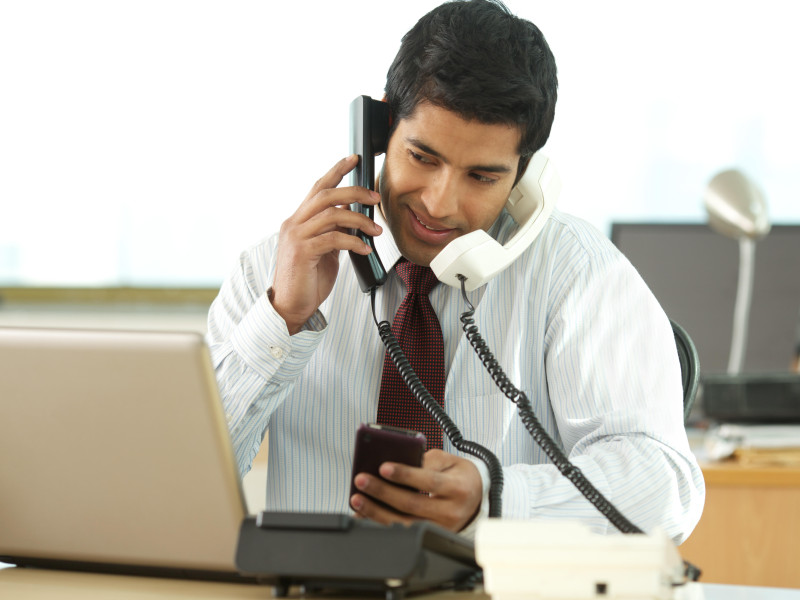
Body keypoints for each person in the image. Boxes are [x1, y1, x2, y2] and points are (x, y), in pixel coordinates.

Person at [207, 0, 705, 542]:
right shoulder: (272, 268)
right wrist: (282, 318)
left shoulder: (577, 271)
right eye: (422, 157)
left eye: (482, 176)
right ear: (378, 133)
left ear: (524, 177)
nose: (440, 204)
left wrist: (495, 500)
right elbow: (183, 487)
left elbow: (666, 489)